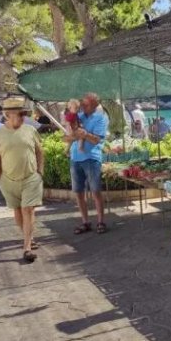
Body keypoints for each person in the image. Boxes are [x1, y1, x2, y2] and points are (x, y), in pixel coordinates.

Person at [0, 97, 44, 263]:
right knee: (18, 211)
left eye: (23, 114)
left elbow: (39, 151)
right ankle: (28, 237)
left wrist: (40, 172)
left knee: (28, 209)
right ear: (8, 115)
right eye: (19, 114)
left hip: (31, 178)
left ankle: (27, 247)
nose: (22, 117)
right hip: (8, 180)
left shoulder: (30, 130)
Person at [66, 92, 109, 235]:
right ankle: (85, 222)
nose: (82, 106)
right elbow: (68, 136)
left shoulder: (100, 119)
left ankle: (101, 221)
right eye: (82, 103)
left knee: (96, 191)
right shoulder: (80, 117)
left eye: (86, 104)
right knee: (78, 193)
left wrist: (85, 135)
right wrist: (72, 135)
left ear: (94, 105)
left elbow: (97, 140)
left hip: (91, 158)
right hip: (75, 158)